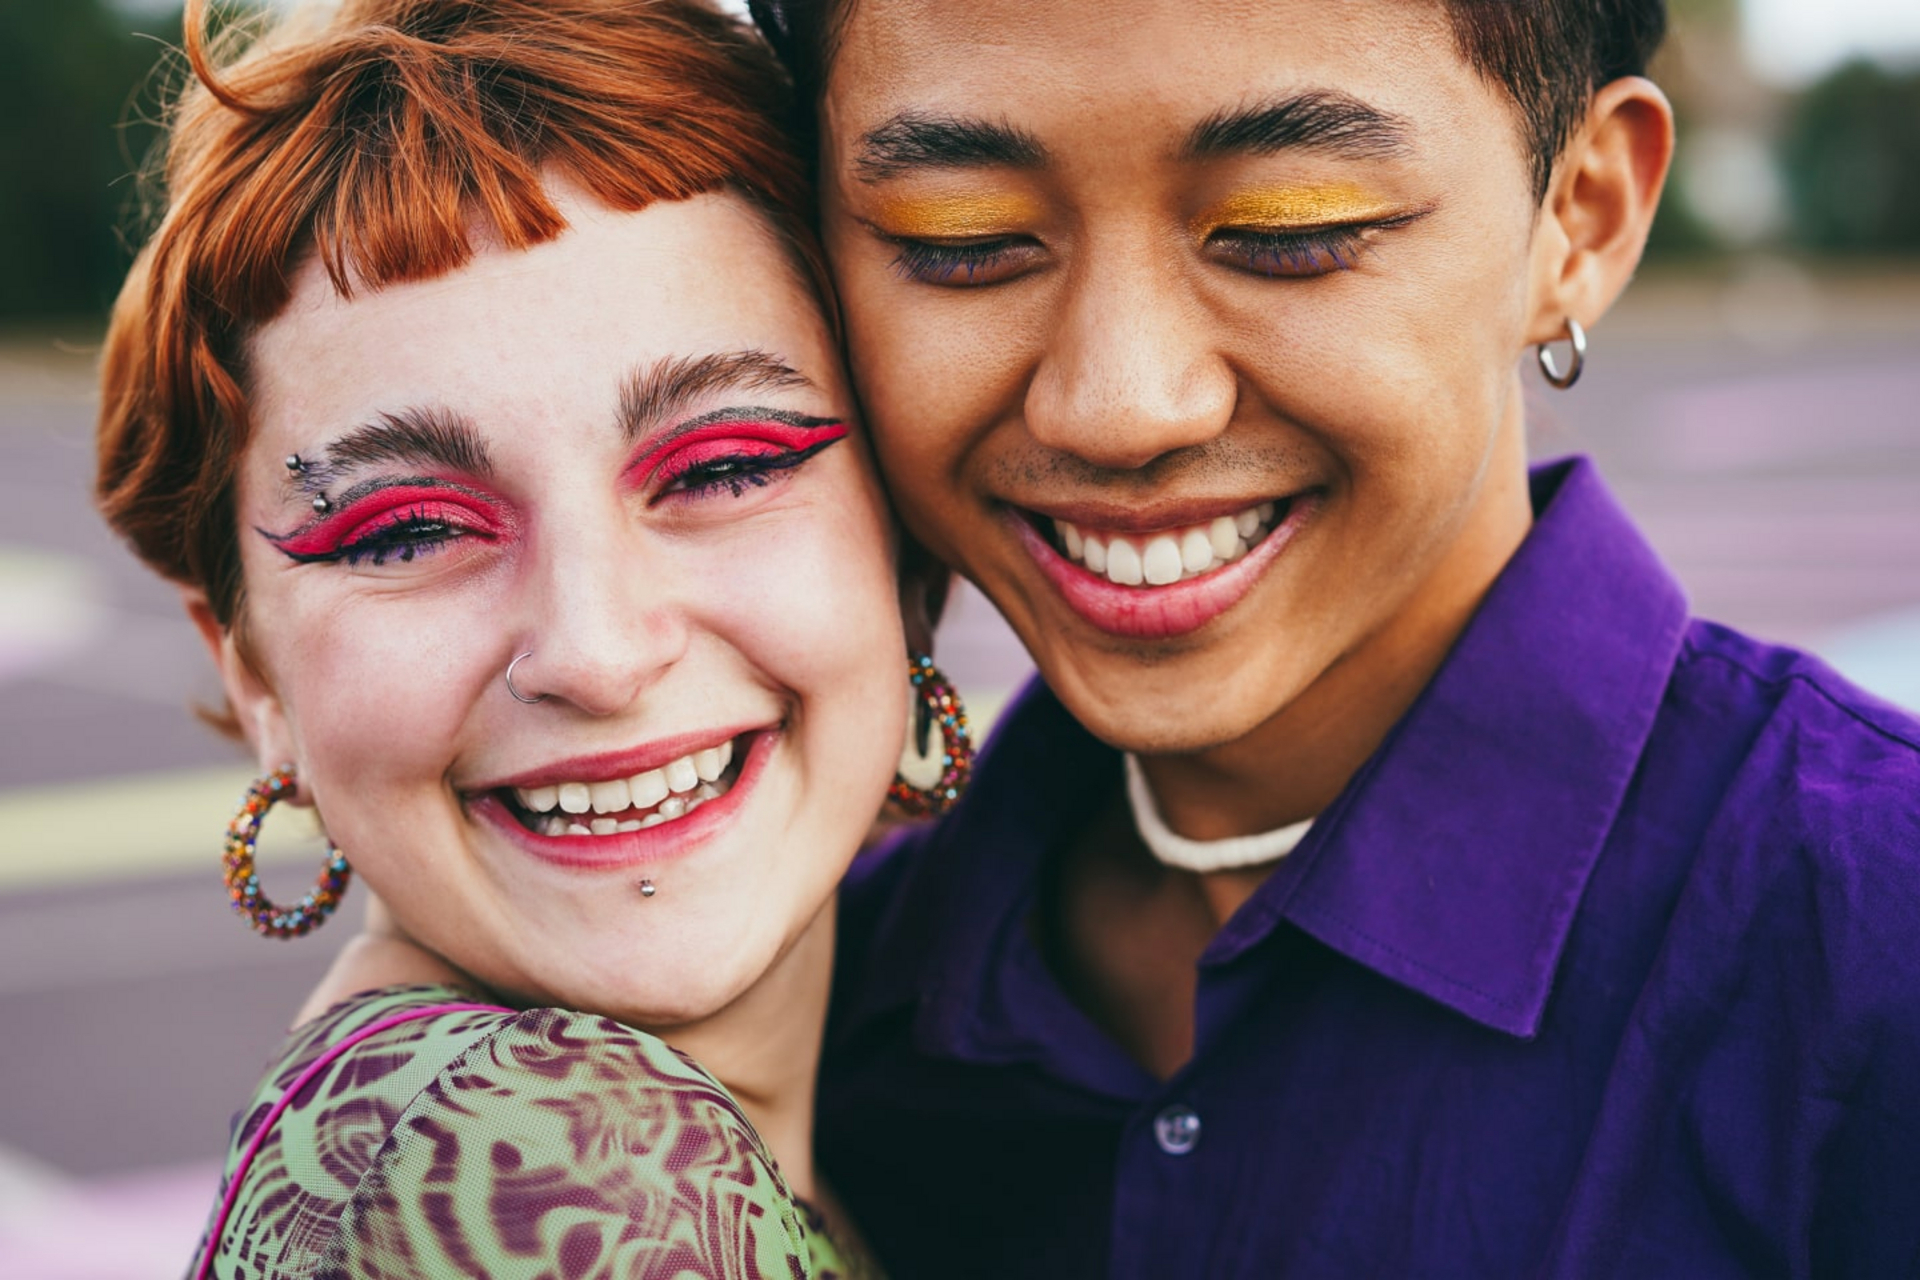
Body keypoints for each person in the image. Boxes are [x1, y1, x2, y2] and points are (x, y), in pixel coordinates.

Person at [723, 1, 1917, 1276]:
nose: (1120, 403)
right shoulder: (803, 995)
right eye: (961, 239)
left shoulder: (1872, 947)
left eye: (1291, 229)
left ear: (1580, 216)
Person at [94, 0, 969, 1274]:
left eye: (723, 464)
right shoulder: (533, 1168)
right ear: (252, 673)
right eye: (402, 534)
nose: (597, 650)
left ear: (902, 542)